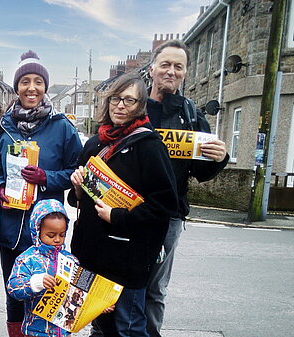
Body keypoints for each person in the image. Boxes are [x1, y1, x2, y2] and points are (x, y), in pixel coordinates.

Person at [68, 74, 178, 337]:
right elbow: (79, 200)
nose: (120, 106)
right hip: (90, 256)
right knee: (97, 323)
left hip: (127, 261)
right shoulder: (95, 143)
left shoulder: (150, 146)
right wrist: (77, 187)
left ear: (140, 106)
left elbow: (164, 206)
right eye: (116, 98)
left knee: (128, 327)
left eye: (129, 100)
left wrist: (118, 217)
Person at [0, 50, 83, 336]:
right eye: (25, 81)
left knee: (52, 290)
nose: (32, 88)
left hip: (49, 226)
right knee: (15, 291)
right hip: (12, 227)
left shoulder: (62, 127)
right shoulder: (2, 127)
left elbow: (77, 172)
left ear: (45, 87)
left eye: (38, 82)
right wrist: (0, 187)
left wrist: (46, 178)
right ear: (16, 87)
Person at [145, 39, 229, 337]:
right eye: (165, 64)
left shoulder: (192, 116)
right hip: (126, 209)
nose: (171, 71)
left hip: (169, 215)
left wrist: (219, 158)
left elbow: (201, 172)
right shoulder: (132, 106)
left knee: (155, 289)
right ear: (152, 68)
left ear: (184, 73)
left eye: (178, 66)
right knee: (119, 280)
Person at [7, 199, 89, 337]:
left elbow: (85, 290)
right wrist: (36, 282)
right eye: (51, 235)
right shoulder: (27, 259)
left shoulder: (72, 259)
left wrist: (99, 304)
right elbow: (13, 287)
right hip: (35, 331)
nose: (57, 239)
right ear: (37, 230)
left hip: (63, 331)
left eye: (62, 234)